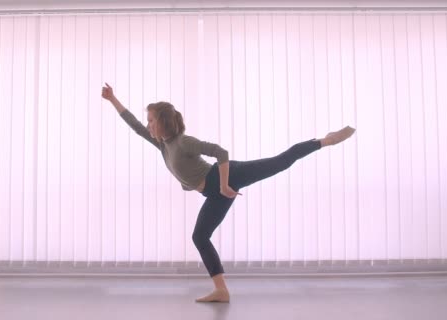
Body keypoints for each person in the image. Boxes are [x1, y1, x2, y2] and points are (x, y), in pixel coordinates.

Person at [101, 83, 356, 303]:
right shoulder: (162, 145)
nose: (148, 124)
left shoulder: (183, 142)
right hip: (214, 193)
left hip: (226, 177)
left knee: (279, 162)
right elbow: (133, 124)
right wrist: (113, 99)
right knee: (200, 237)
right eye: (148, 120)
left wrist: (223, 185)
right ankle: (221, 290)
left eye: (151, 120)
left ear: (163, 122)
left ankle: (324, 141)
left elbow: (221, 153)